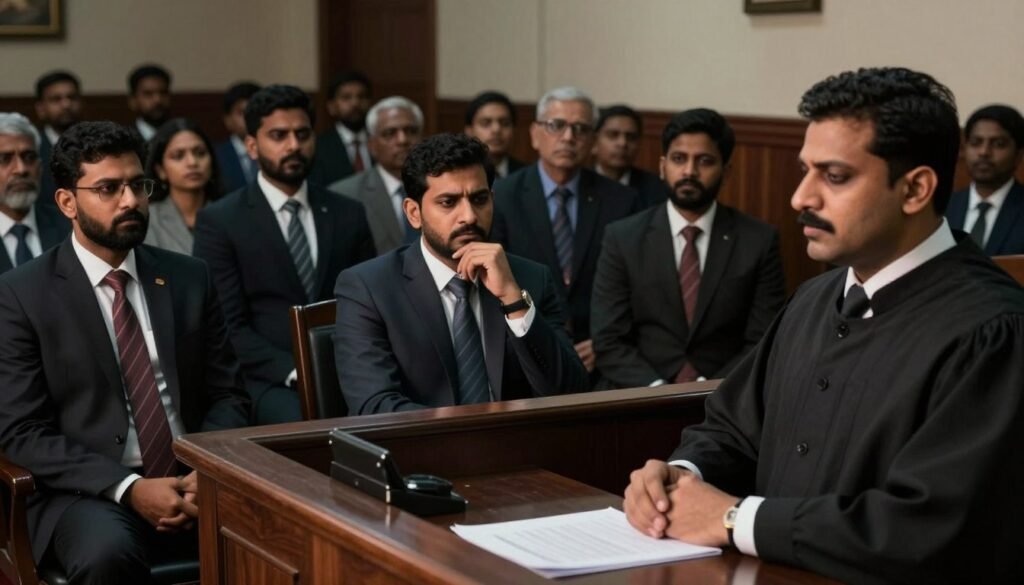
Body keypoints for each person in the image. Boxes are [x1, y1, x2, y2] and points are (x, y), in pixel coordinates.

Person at [623, 67, 1024, 585]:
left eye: (833, 177)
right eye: (804, 170)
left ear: (916, 188)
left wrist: (731, 519)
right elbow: (732, 429)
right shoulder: (814, 298)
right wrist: (680, 479)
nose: (800, 198)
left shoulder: (994, 331)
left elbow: (931, 531)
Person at [0, 120, 250, 584]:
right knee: (107, 555)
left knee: (289, 531)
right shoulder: (20, 294)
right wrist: (129, 488)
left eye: (138, 185)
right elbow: (22, 431)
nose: (131, 200)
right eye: (109, 188)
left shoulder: (189, 277)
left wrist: (205, 469)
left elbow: (228, 394)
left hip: (197, 475)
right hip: (84, 491)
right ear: (67, 202)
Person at [334, 133, 587, 414]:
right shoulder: (369, 288)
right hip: (426, 451)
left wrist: (514, 301)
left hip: (519, 448)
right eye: (448, 202)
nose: (469, 216)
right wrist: (464, 436)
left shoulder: (529, 278)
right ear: (414, 212)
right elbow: (375, 406)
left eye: (479, 199)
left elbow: (571, 391)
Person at [194, 85, 375, 425]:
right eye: (279, 135)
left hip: (348, 365)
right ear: (251, 145)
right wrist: (299, 371)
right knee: (302, 421)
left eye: (302, 134)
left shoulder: (347, 212)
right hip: (269, 378)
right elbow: (228, 327)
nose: (294, 145)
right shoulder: (221, 221)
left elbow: (369, 304)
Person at [591, 108, 785, 388]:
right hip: (637, 393)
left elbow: (763, 340)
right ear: (662, 166)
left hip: (726, 394)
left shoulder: (758, 240)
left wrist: (709, 390)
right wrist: (657, 391)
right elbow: (608, 340)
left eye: (704, 161)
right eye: (679, 159)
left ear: (726, 171)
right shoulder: (623, 238)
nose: (689, 171)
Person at [491, 86, 639, 378]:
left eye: (580, 128)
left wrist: (603, 344)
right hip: (523, 350)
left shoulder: (621, 201)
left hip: (602, 356)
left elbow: (635, 286)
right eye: (556, 126)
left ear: (593, 140)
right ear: (535, 134)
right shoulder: (502, 197)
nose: (569, 137)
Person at [329, 96, 423, 254]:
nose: (402, 140)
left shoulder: (441, 187)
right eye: (390, 133)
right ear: (371, 145)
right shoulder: (344, 194)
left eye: (410, 131)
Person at [945, 104, 1024, 255]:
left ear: (1019, 154)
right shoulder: (943, 207)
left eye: (998, 144)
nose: (984, 152)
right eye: (976, 142)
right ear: (964, 149)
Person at [0, 112, 69, 274]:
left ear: (40, 167)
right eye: (5, 159)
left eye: (29, 157)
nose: (21, 169)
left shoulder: (70, 227)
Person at [143, 118, 223, 255]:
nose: (192, 162)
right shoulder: (147, 220)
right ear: (160, 170)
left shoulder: (230, 215)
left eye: (200, 153)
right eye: (178, 156)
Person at [592, 104, 665, 208]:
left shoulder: (656, 188)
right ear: (594, 142)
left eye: (631, 137)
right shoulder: (580, 183)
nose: (622, 143)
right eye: (613, 135)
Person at [311, 71, 373, 186]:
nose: (355, 103)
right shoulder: (318, 147)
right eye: (346, 97)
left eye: (361, 97)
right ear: (331, 107)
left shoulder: (380, 141)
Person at [34, 70, 83, 208]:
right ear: (41, 109)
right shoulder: (32, 150)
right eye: (56, 99)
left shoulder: (95, 145)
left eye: (72, 97)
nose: (66, 104)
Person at [463, 90, 525, 178]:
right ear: (469, 130)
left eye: (505, 123)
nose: (496, 130)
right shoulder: (459, 174)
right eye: (485, 123)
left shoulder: (526, 175)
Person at [215, 81, 261, 194]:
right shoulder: (216, 156)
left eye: (256, 111)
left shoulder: (277, 151)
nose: (250, 118)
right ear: (228, 120)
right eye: (242, 113)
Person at [127, 64, 172, 142]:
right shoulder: (125, 139)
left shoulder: (181, 136)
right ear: (133, 100)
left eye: (163, 92)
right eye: (148, 94)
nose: (157, 100)